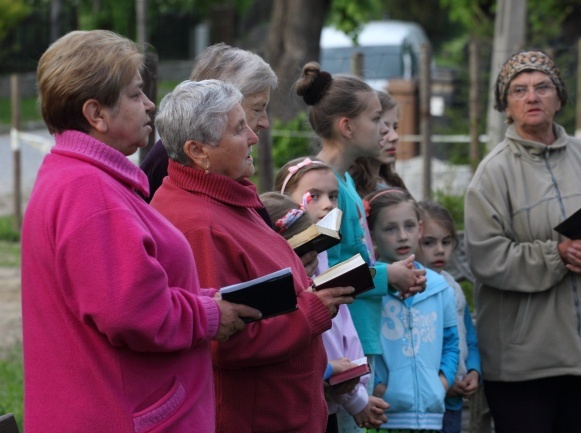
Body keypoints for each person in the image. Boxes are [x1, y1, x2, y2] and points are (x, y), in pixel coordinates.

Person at [21, 30, 261, 433]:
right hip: (121, 416)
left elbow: (124, 292)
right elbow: (132, 313)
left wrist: (205, 299)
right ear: (96, 114)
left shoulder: (79, 178)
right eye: (135, 94)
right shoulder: (89, 192)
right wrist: (208, 315)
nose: (150, 103)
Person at [150, 79, 355, 433]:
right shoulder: (199, 224)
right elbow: (224, 340)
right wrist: (313, 309)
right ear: (198, 151)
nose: (254, 136)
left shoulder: (226, 196)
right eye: (238, 129)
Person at [464, 49, 581, 433]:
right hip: (524, 363)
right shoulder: (493, 173)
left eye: (543, 87)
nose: (532, 97)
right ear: (506, 106)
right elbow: (486, 256)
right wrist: (557, 254)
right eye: (519, 90)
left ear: (559, 99)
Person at [294, 62, 427, 369]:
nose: (385, 129)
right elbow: (327, 271)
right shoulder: (321, 189)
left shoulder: (346, 181)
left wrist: (394, 274)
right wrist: (388, 275)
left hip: (361, 327)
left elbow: (357, 257)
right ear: (347, 127)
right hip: (342, 337)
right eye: (377, 119)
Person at [272, 162, 391, 432]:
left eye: (334, 196)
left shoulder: (322, 253)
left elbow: (341, 324)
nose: (328, 205)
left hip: (334, 391)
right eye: (313, 196)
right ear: (284, 197)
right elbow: (322, 333)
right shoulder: (292, 260)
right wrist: (356, 399)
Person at [364, 188, 459, 432]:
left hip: (431, 418)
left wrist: (440, 385)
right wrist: (379, 388)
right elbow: (361, 346)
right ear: (372, 235)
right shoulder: (367, 290)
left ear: (420, 229)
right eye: (390, 229)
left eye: (409, 226)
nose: (402, 236)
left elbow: (451, 344)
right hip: (382, 417)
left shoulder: (440, 288)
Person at [140, 42, 277, 202]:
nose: (265, 123)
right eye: (257, 108)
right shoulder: (173, 162)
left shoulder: (221, 166)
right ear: (220, 102)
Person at [415, 201, 481, 433]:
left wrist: (474, 370)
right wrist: (444, 380)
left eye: (446, 242)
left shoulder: (453, 288)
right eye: (429, 242)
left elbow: (468, 338)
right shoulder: (411, 290)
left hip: (453, 404)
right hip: (422, 405)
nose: (440, 250)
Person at [349, 90, 407, 198]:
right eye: (383, 127)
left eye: (395, 127)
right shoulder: (349, 189)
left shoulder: (394, 182)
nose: (395, 137)